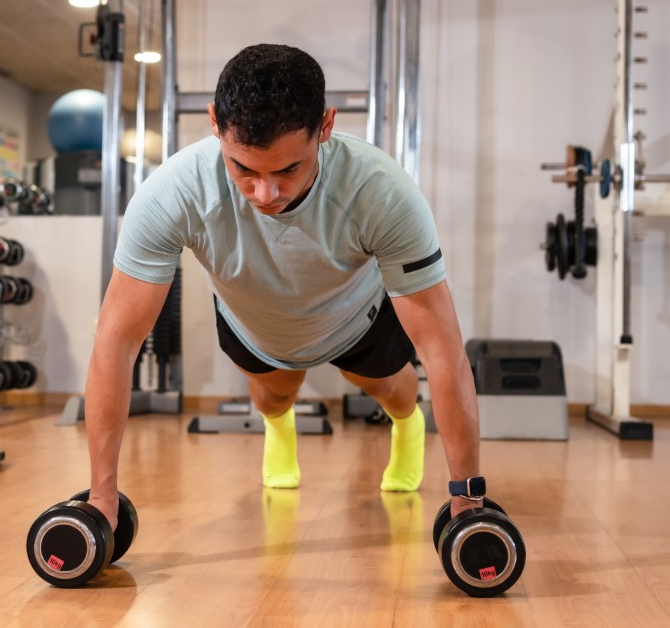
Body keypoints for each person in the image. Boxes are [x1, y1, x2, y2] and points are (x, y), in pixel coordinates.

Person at [84, 44, 483, 531]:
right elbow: (116, 340)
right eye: (244, 169)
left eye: (288, 169)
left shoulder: (382, 192)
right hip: (255, 325)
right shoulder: (173, 193)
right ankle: (280, 426)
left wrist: (467, 498)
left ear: (327, 127)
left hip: (355, 317)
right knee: (274, 397)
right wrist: (100, 495)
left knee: (393, 392)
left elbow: (442, 347)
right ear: (214, 122)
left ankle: (406, 426)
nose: (265, 194)